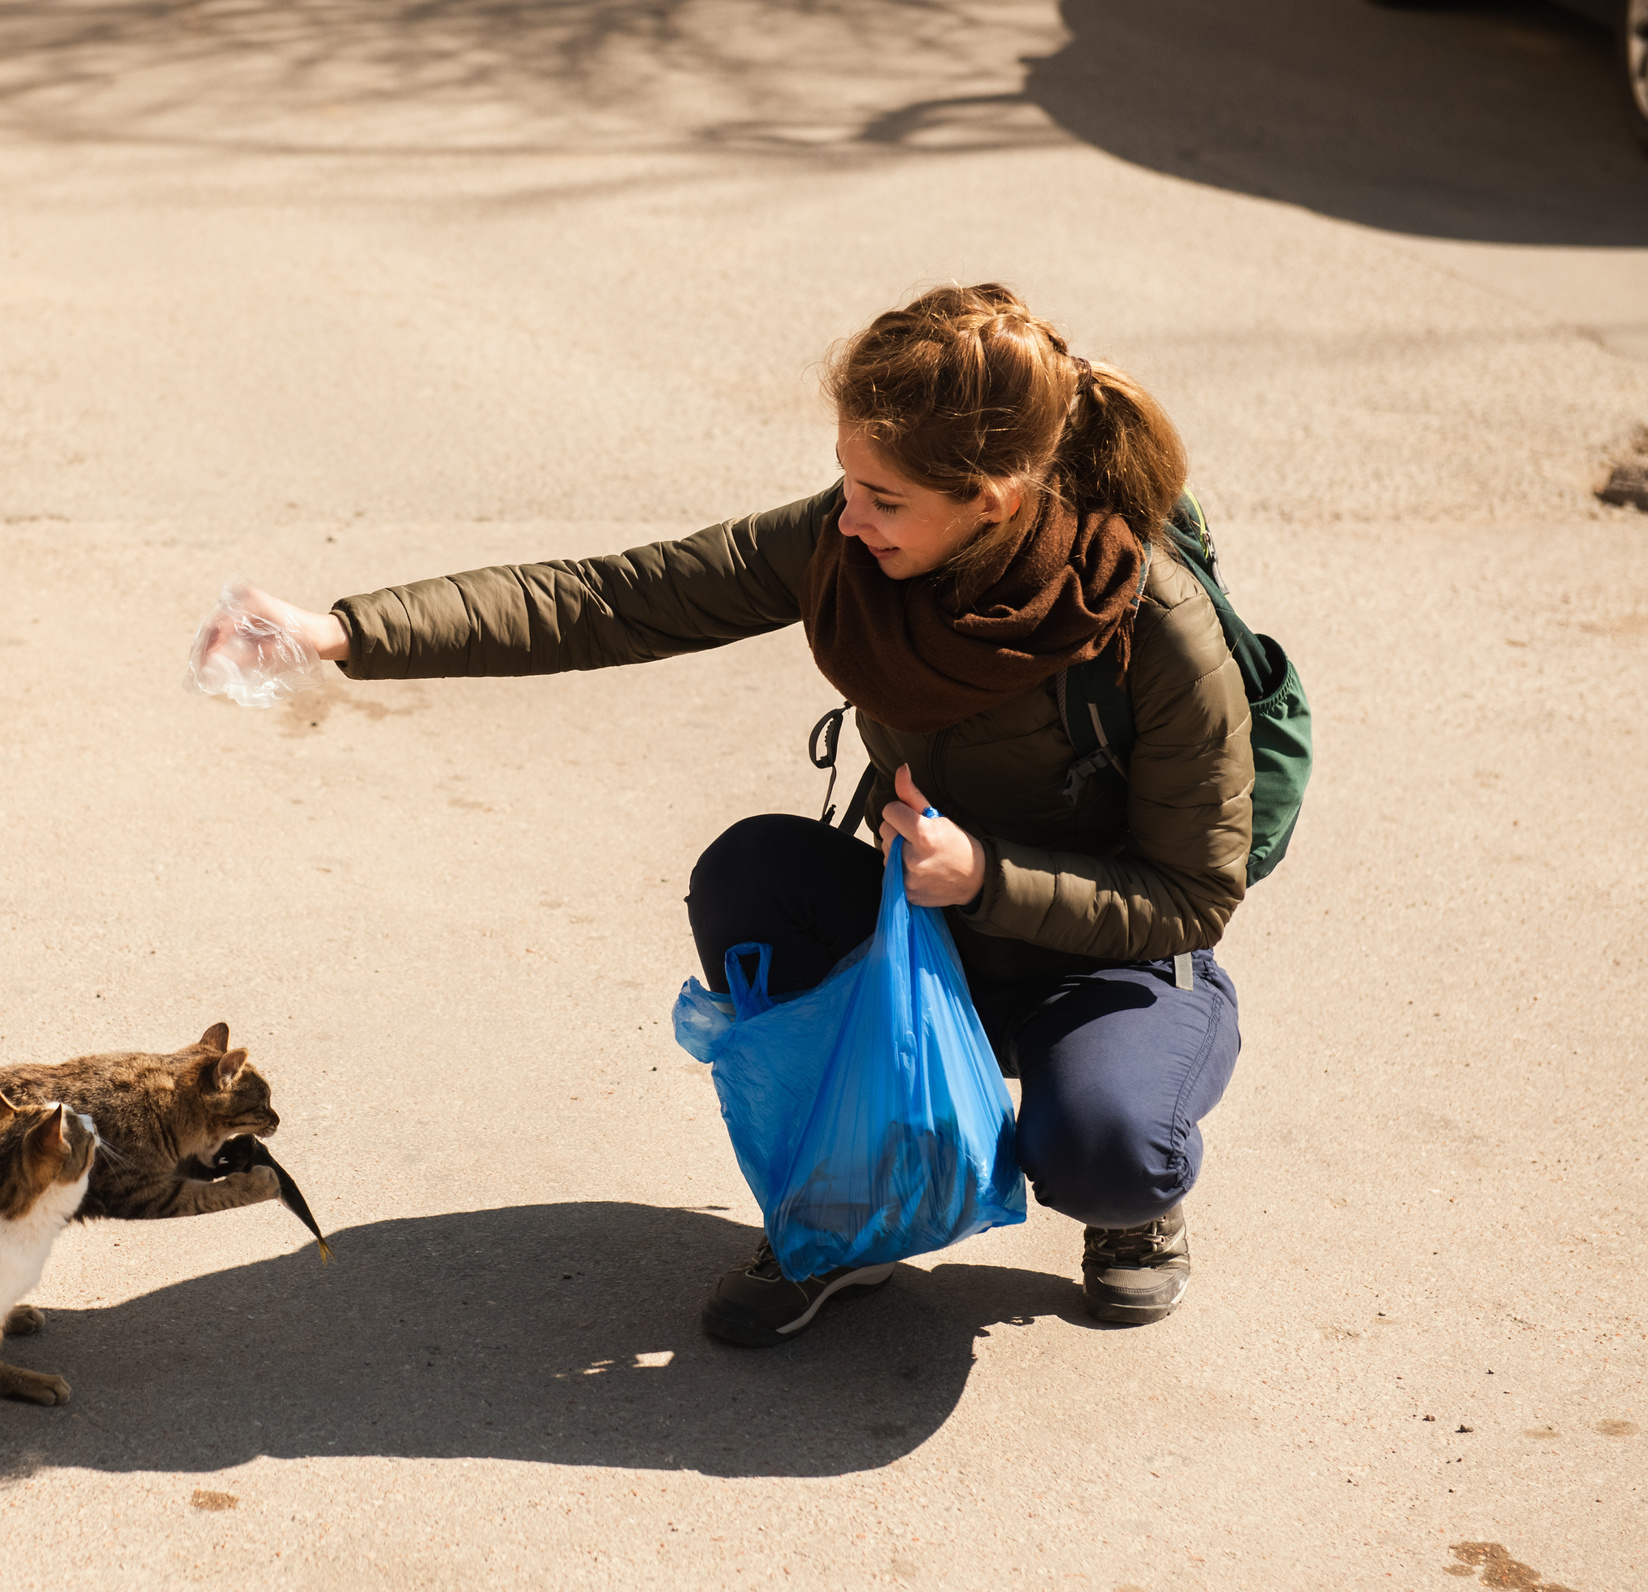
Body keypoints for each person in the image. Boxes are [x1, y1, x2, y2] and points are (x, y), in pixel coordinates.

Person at [199, 283, 1250, 1342]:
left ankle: (1135, 1215)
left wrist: (988, 876)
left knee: (1108, 1148)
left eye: (883, 499)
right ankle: (847, 1214)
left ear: (992, 498)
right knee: (753, 877)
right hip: (919, 919)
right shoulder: (847, 546)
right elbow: (609, 598)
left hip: (1098, 961)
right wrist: (340, 632)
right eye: (847, 481)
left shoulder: (1150, 623)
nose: (848, 517)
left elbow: (1194, 892)